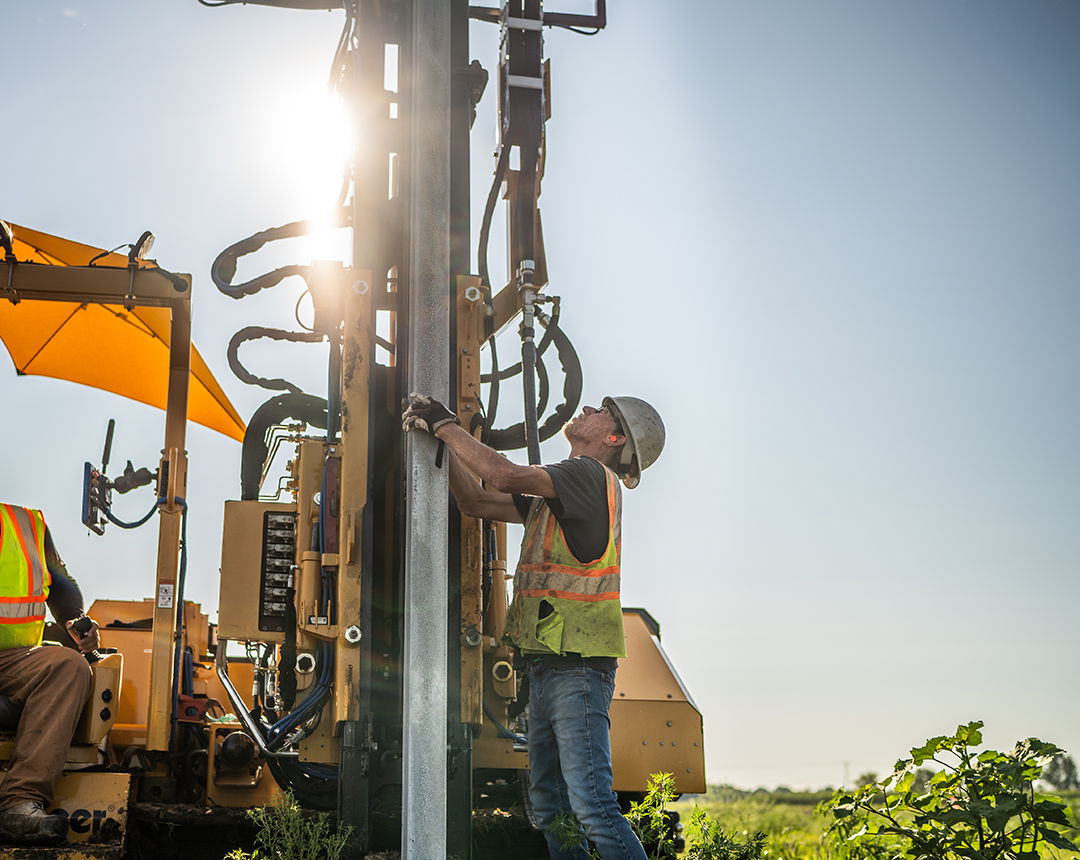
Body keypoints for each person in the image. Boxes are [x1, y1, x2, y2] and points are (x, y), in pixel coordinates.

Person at [403, 393, 665, 860]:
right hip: (548, 668)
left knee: (592, 805)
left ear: (614, 437)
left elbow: (501, 474)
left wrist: (444, 424)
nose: (585, 409)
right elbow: (476, 501)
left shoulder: (587, 476)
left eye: (600, 411)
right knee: (550, 805)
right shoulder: (560, 496)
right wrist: (440, 445)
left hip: (577, 670)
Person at [0, 504, 99, 846]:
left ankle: (18, 803)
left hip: (12, 660)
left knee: (69, 666)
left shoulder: (25, 525)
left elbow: (60, 586)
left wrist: (73, 619)